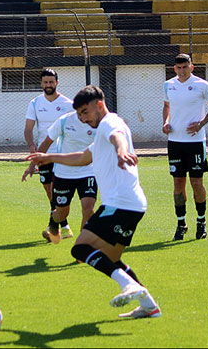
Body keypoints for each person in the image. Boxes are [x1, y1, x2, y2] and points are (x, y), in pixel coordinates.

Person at [27, 85, 161, 319]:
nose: (83, 118)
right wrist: (47, 156)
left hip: (120, 204)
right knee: (112, 259)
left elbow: (117, 137)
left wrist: (121, 152)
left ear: (99, 105)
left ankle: (129, 287)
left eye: (85, 112)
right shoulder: (100, 132)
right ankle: (149, 306)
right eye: (79, 114)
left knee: (80, 248)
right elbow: (82, 157)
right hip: (132, 204)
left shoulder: (110, 123)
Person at [162, 54, 208, 241]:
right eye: (178, 68)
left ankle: (201, 222)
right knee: (178, 183)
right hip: (175, 142)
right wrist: (166, 122)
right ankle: (181, 224)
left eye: (185, 67)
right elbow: (167, 107)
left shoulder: (202, 85)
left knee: (196, 183)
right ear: (174, 68)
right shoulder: (168, 85)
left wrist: (201, 124)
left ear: (191, 67)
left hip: (195, 143)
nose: (182, 71)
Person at [22, 110, 97, 242]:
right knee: (62, 213)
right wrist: (33, 165)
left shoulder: (100, 123)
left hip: (88, 171)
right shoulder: (64, 121)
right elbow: (46, 143)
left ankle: (82, 245)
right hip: (64, 173)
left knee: (88, 208)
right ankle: (54, 222)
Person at [24, 68, 74, 241]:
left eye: (51, 82)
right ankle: (64, 225)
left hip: (62, 154)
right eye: (45, 82)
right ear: (41, 83)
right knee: (49, 191)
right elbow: (28, 128)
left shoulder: (68, 104)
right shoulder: (35, 103)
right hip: (42, 153)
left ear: (57, 83)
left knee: (56, 189)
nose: (48, 85)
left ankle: (53, 228)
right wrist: (32, 146)